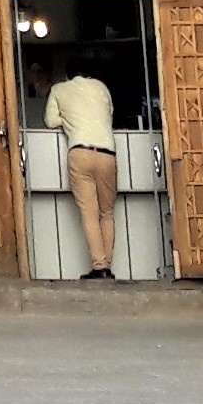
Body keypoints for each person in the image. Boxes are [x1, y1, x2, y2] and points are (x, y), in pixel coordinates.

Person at [44, 63, 120, 280]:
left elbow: (50, 121)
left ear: (67, 74)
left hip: (80, 151)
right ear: (89, 72)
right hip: (107, 152)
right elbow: (109, 115)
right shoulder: (101, 87)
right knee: (107, 212)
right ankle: (107, 266)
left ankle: (99, 266)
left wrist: (68, 121)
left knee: (89, 212)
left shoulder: (59, 89)